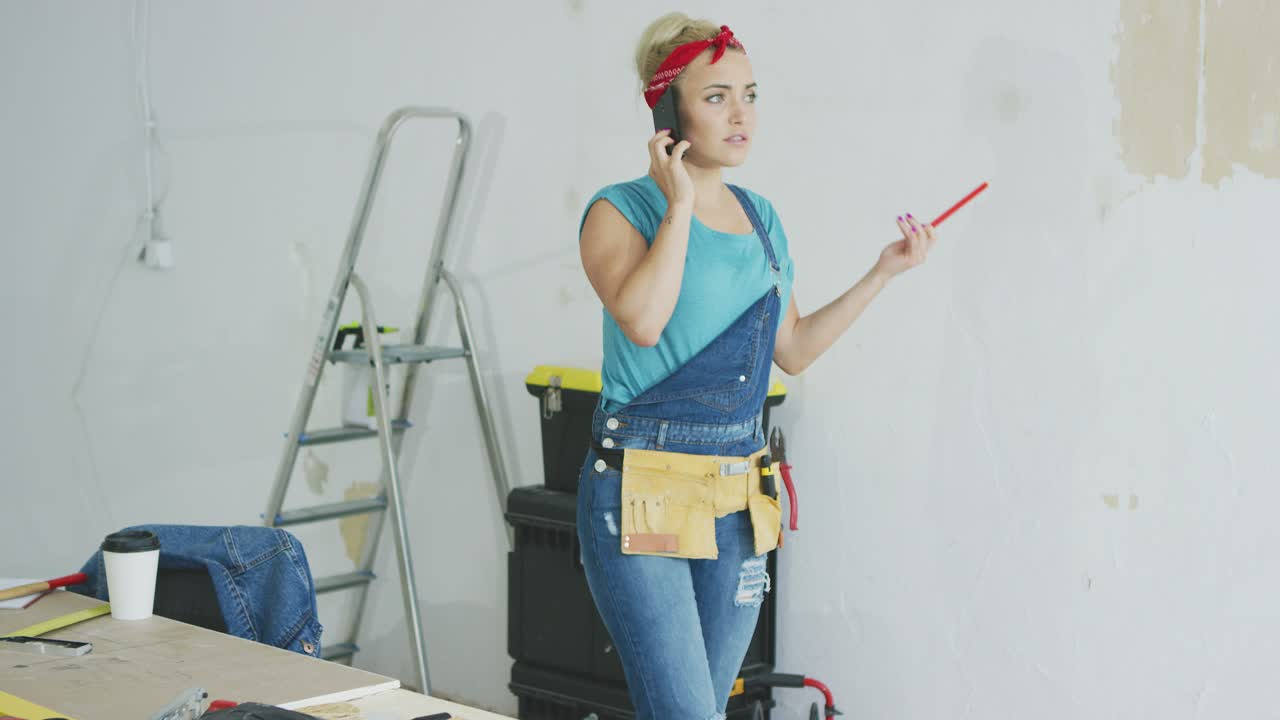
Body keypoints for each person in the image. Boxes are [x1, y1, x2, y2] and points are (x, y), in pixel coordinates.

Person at [575, 12, 937, 718]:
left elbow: (793, 350)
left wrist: (881, 274)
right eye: (716, 97)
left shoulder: (762, 217)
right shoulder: (620, 212)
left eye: (750, 94)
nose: (741, 114)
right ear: (667, 109)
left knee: (705, 710)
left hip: (737, 496)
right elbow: (644, 321)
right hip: (641, 485)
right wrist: (680, 204)